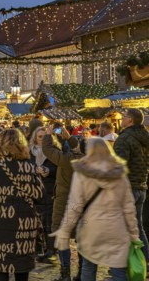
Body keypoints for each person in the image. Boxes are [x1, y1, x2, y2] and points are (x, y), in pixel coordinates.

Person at [51, 137, 139, 281]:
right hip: (116, 228)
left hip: (92, 228)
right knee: (118, 271)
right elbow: (128, 208)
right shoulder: (119, 174)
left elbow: (74, 205)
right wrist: (134, 235)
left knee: (89, 267)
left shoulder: (82, 173)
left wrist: (65, 230)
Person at [0, 129, 44, 281]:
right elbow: (40, 195)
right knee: (22, 265)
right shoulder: (29, 166)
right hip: (25, 222)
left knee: (0, 264)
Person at [42, 124, 84, 281]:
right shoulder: (88, 160)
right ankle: (82, 273)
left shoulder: (68, 160)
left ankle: (65, 273)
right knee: (81, 238)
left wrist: (48, 135)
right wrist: (69, 138)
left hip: (64, 202)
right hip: (82, 203)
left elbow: (48, 150)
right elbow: (78, 148)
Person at [114, 108, 149, 264]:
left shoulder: (125, 138)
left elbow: (118, 165)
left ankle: (123, 264)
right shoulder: (145, 137)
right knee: (138, 227)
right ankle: (145, 261)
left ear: (130, 120)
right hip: (141, 186)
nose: (121, 118)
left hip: (127, 188)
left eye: (124, 116)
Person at [28, 127, 57, 263]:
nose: (42, 139)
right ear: (35, 138)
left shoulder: (54, 151)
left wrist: (48, 170)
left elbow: (60, 168)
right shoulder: (29, 153)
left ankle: (51, 251)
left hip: (49, 189)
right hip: (34, 190)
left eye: (45, 137)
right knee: (36, 221)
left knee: (49, 221)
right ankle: (38, 248)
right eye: (40, 137)